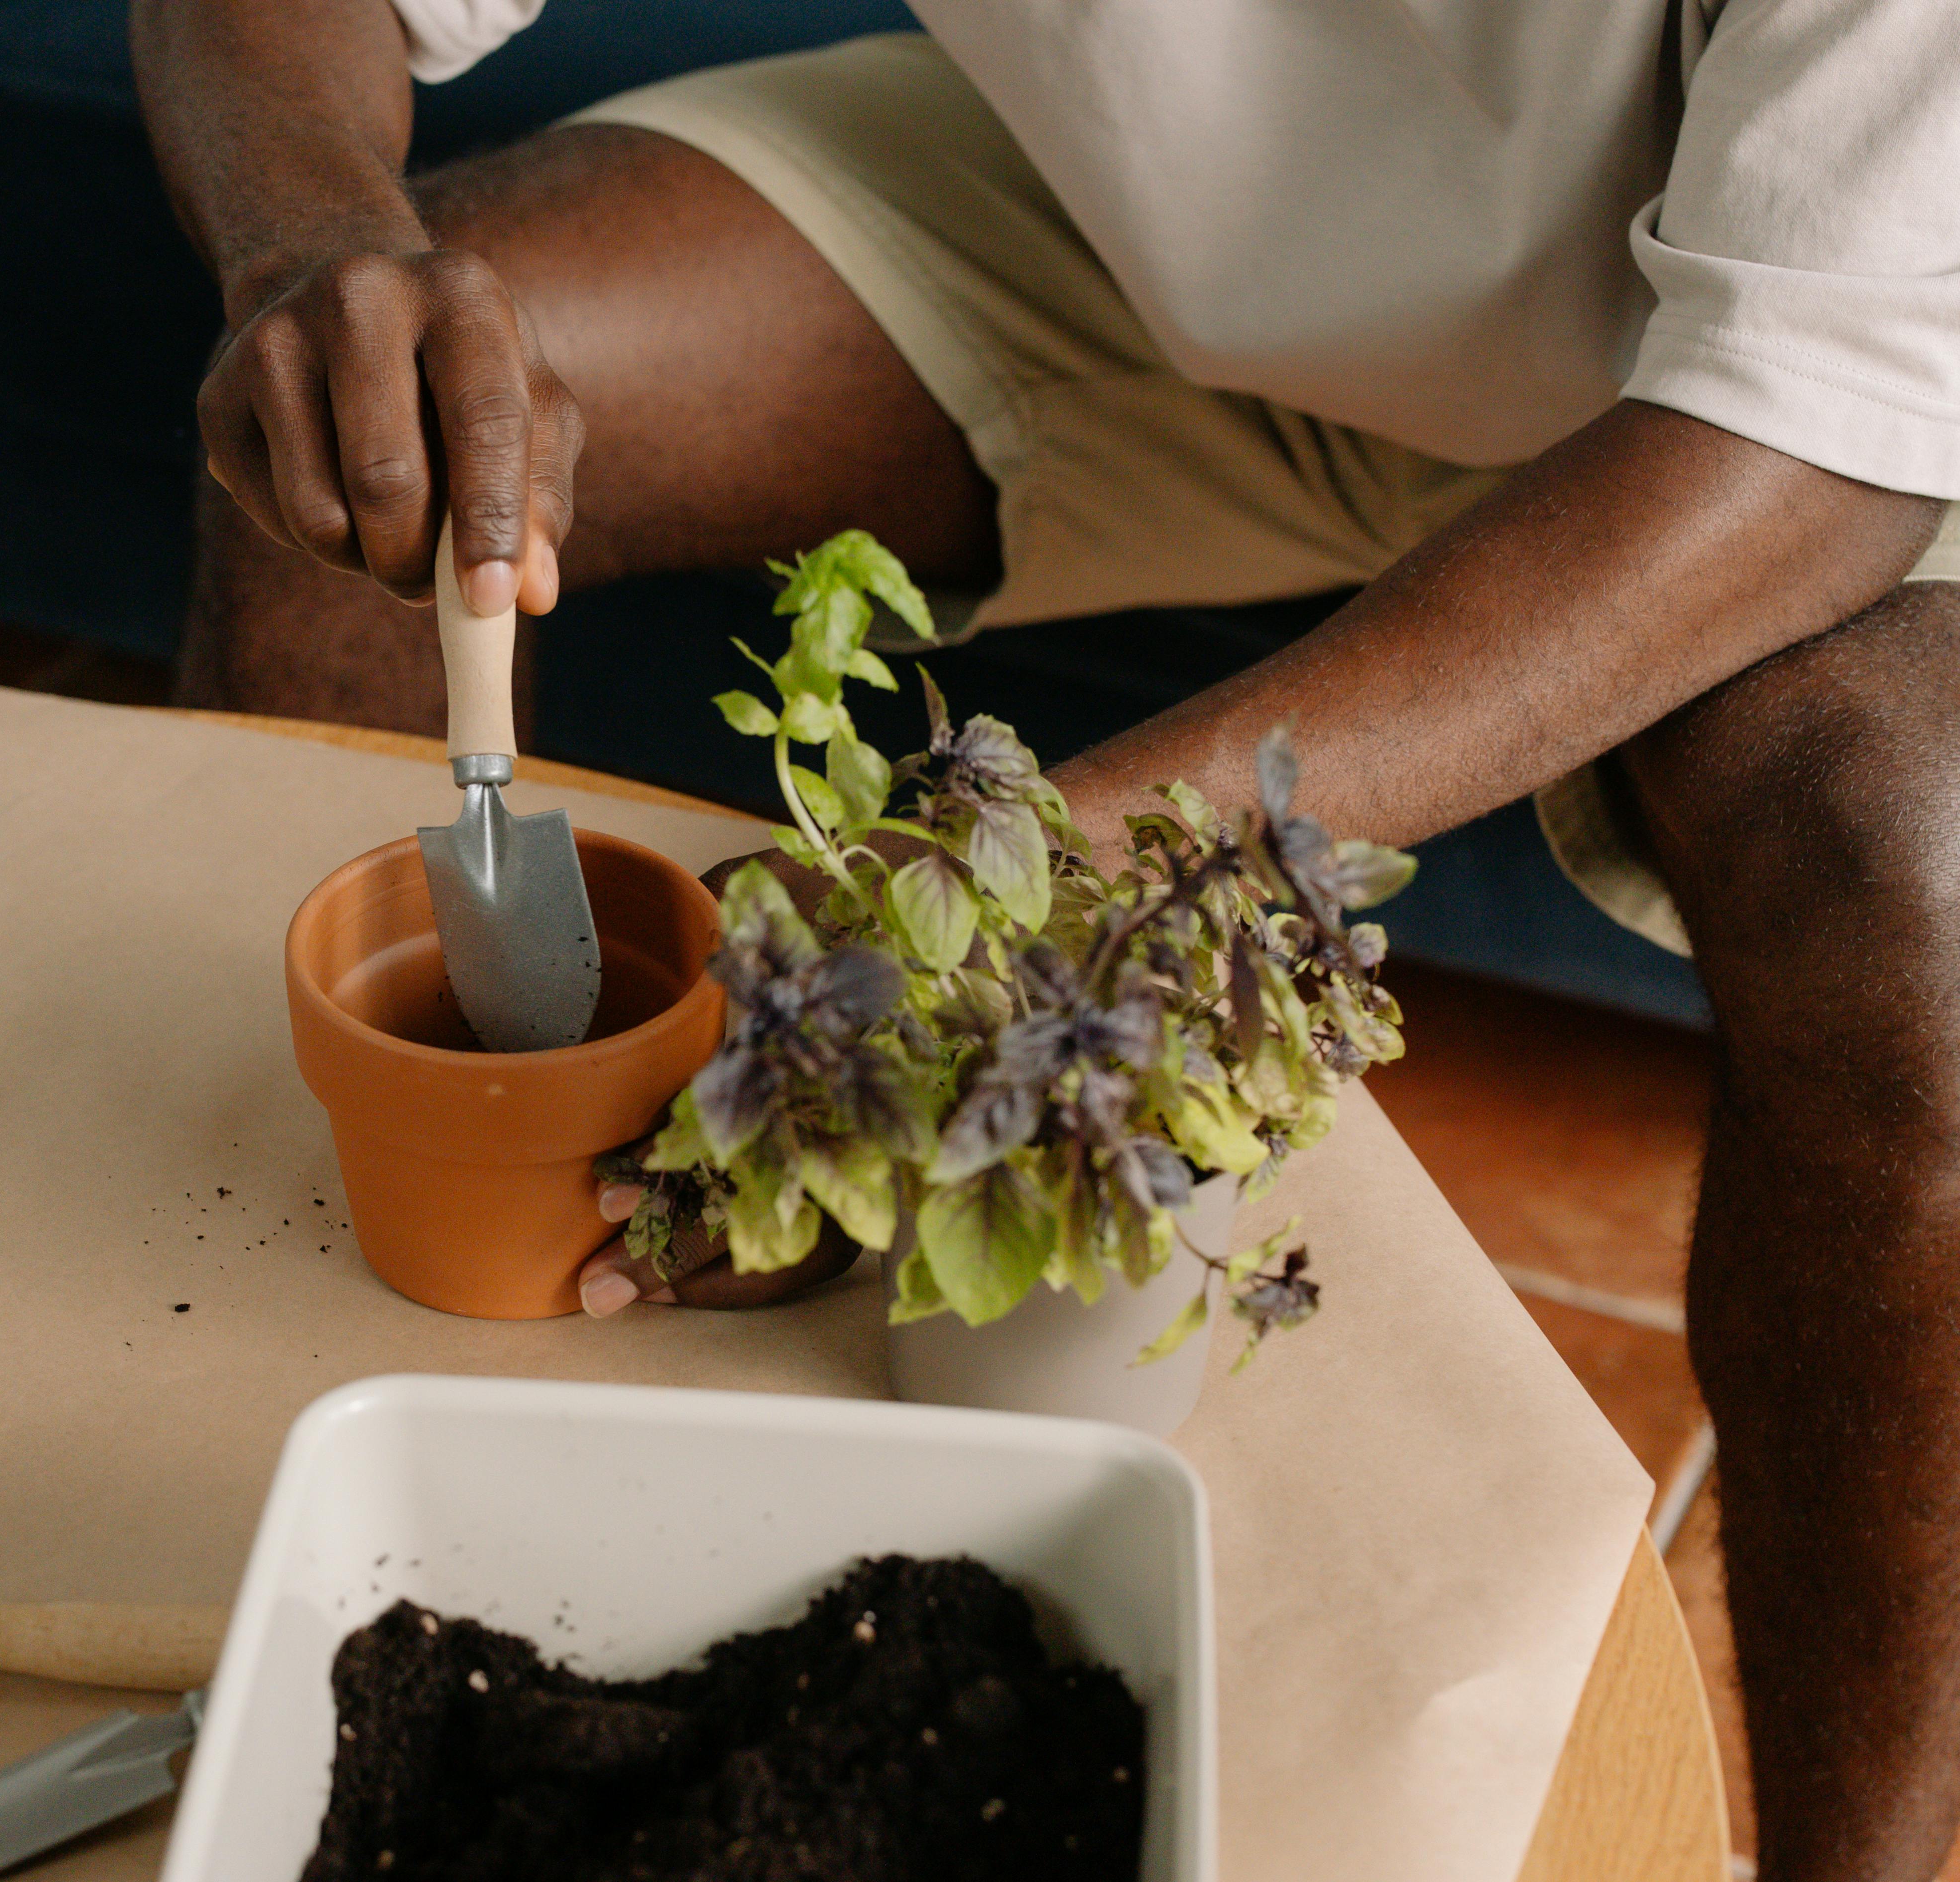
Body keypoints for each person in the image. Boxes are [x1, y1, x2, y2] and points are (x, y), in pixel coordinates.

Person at [131, 1, 1960, 1873]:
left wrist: (1002, 877)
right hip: (1160, 230)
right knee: (377, 429)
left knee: (1924, 896)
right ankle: (260, 1502)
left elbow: (1808, 440)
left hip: (1794, 363)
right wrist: (314, 248)